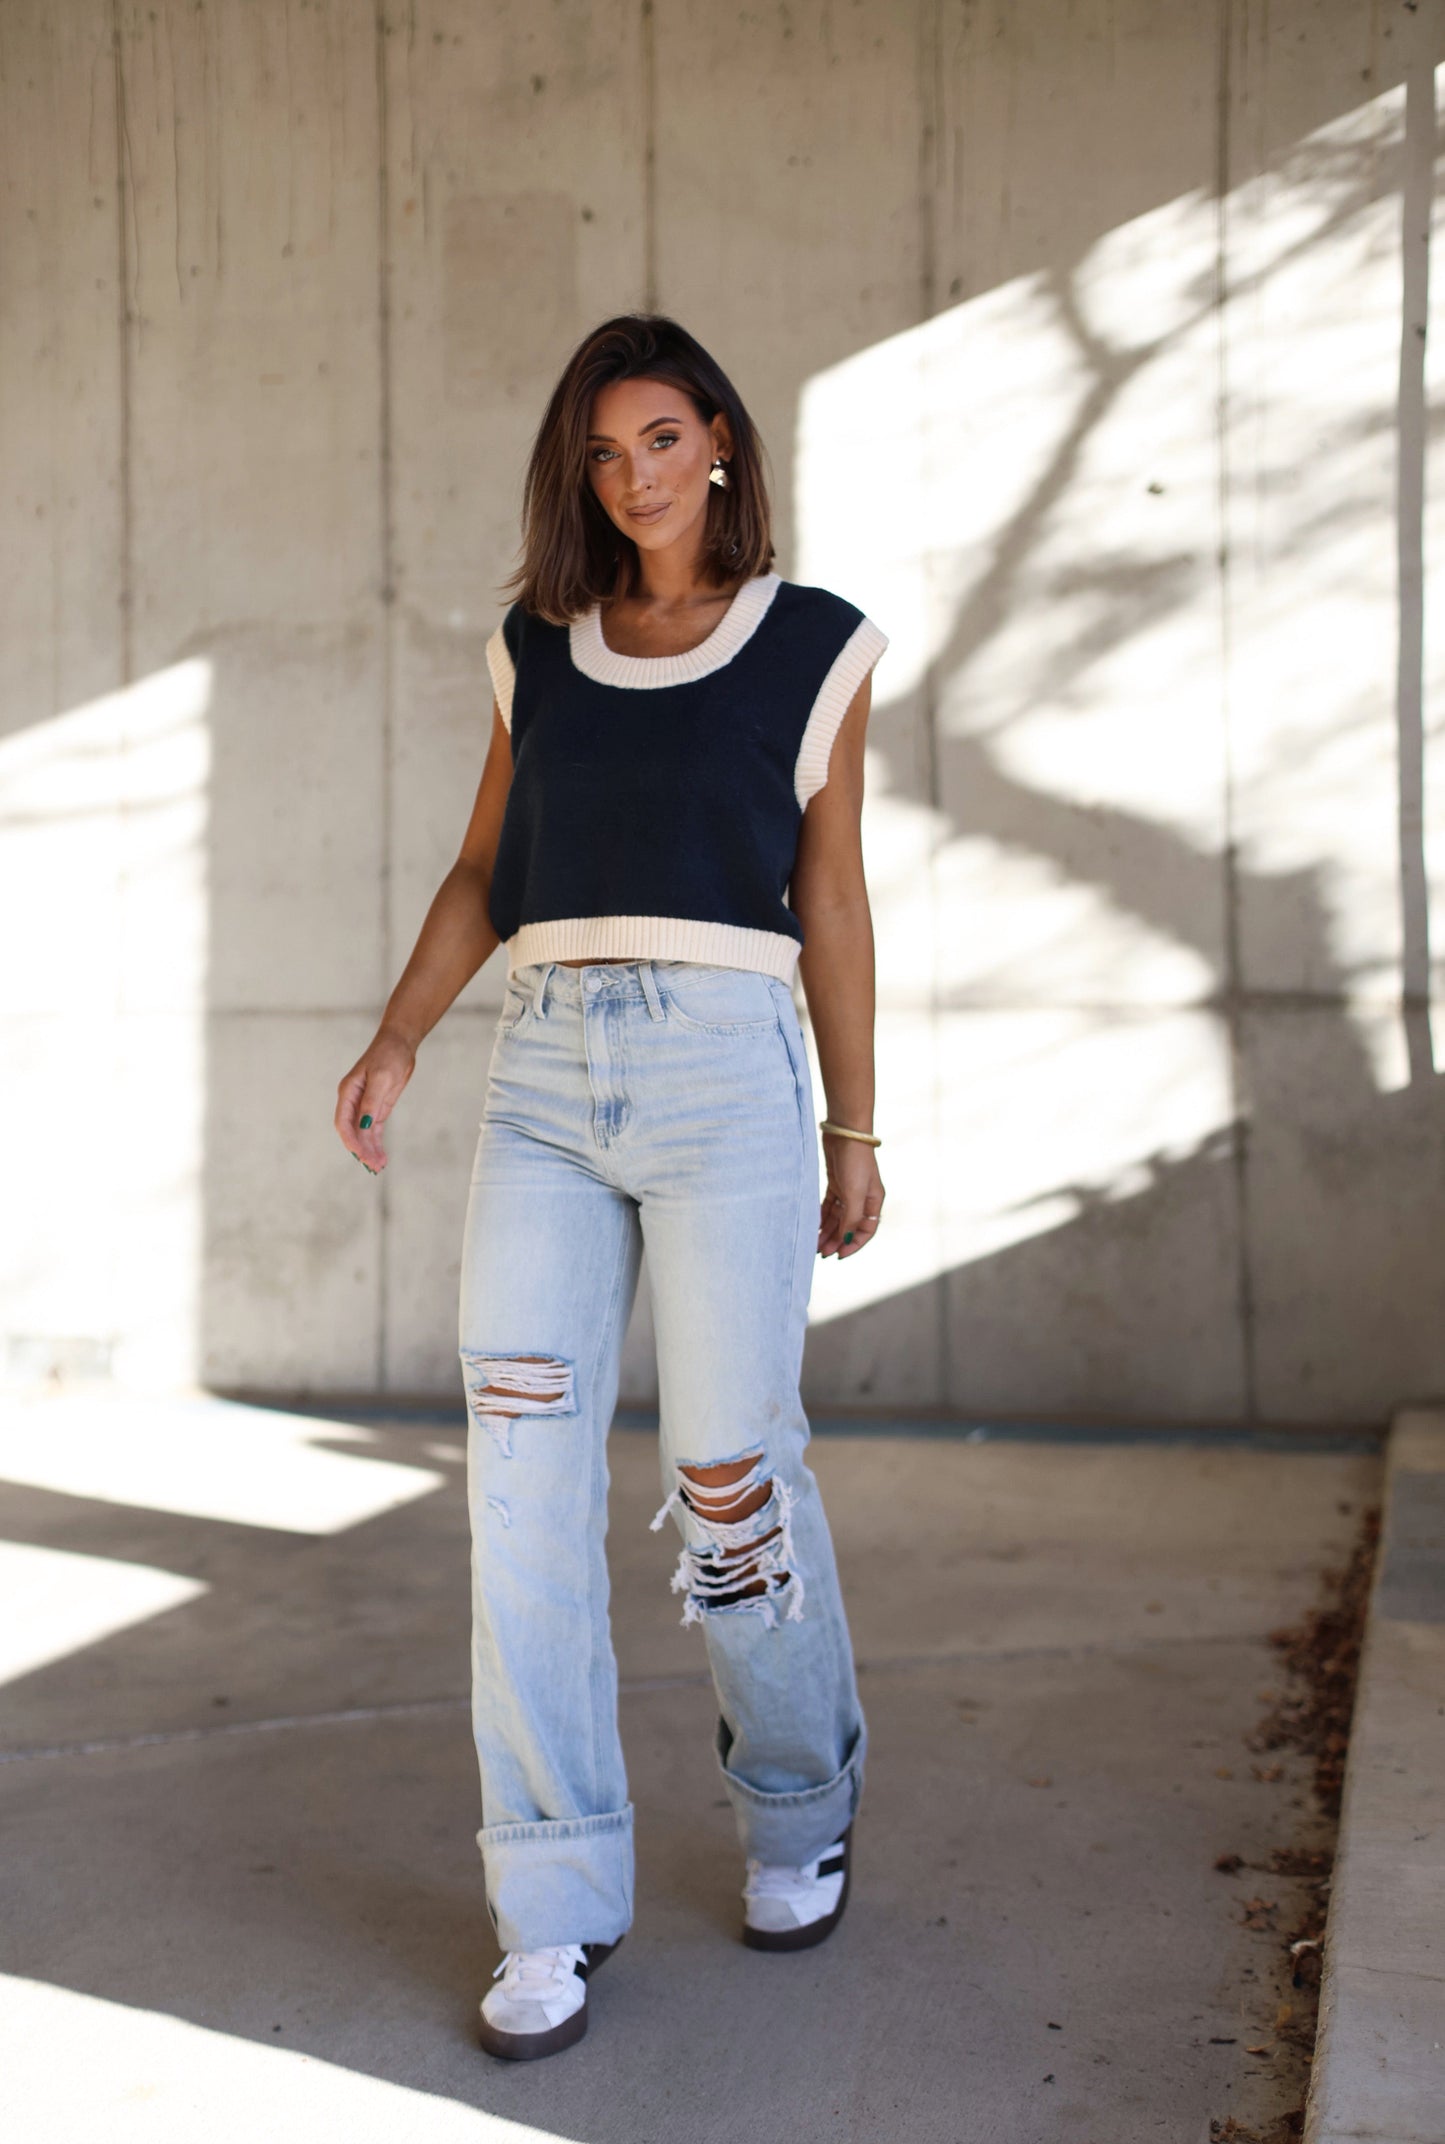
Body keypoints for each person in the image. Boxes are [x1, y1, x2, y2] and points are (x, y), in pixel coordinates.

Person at [334, 313, 889, 2062]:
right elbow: (484, 869)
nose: (630, 475)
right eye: (599, 451)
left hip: (730, 1079)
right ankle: (549, 1901)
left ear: (718, 440)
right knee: (518, 1488)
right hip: (546, 1081)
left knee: (730, 1483)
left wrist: (851, 1133)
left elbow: (836, 902)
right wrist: (399, 1037)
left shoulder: (816, 644)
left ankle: (800, 1807)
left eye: (657, 438)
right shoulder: (539, 647)